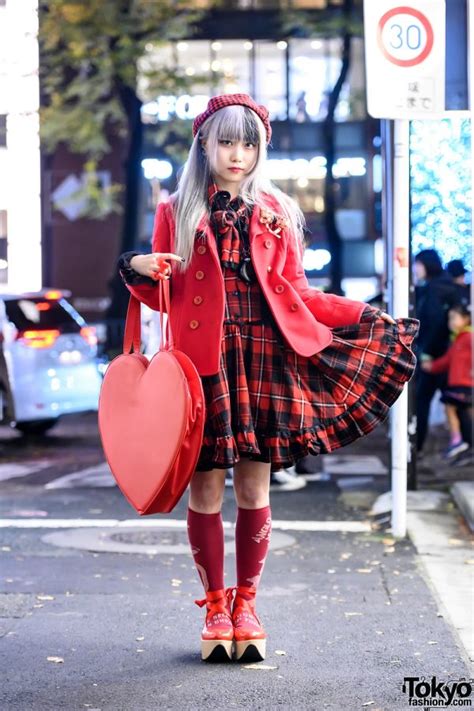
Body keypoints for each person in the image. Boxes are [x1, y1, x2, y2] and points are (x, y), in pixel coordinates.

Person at [117, 94, 419, 664]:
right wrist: (135, 266)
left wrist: (364, 315)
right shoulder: (176, 209)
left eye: (249, 143)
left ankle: (248, 604)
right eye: (227, 141)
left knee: (255, 488)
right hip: (200, 369)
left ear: (262, 150)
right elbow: (163, 290)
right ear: (204, 145)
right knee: (204, 488)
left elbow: (300, 293)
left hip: (263, 362)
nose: (238, 154)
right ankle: (214, 604)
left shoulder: (278, 210)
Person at [413, 249, 459, 455]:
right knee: (455, 400)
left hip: (434, 356)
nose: (416, 268)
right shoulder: (446, 286)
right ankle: (462, 443)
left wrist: (426, 353)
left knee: (422, 401)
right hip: (450, 353)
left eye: (418, 264)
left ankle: (417, 446)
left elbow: (432, 323)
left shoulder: (434, 289)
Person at [420, 302, 473, 461]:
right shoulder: (457, 340)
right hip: (458, 383)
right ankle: (463, 442)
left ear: (466, 319)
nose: (451, 322)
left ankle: (457, 440)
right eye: (450, 319)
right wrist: (431, 367)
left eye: (454, 318)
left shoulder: (469, 338)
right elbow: (446, 361)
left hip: (465, 383)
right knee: (461, 412)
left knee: (451, 408)